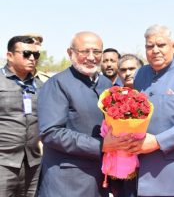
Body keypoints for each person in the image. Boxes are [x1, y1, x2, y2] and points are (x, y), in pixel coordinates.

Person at [104, 24, 174, 196]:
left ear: (173, 46)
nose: (155, 50)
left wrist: (158, 142)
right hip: (140, 173)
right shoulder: (141, 74)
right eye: (149, 46)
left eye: (161, 45)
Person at [37, 31, 112, 197]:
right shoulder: (57, 84)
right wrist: (101, 145)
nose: (91, 57)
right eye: (84, 51)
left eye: (97, 52)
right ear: (70, 53)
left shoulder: (106, 84)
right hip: (67, 181)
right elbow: (50, 132)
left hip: (100, 178)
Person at [0, 36, 42, 196]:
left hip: (33, 163)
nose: (32, 58)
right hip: (3, 162)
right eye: (26, 54)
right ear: (10, 56)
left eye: (36, 55)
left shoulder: (40, 85)